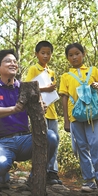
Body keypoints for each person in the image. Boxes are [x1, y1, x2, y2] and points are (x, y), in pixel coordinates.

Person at [0, 49, 58, 188]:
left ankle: (34, 178)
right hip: (2, 141)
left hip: (25, 140)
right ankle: (3, 174)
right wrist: (14, 109)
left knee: (51, 136)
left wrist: (41, 109)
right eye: (8, 61)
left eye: (15, 62)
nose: (13, 64)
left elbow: (36, 112)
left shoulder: (25, 87)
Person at [59, 43, 98, 196]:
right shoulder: (66, 76)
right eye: (71, 55)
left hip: (92, 115)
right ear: (67, 58)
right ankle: (89, 180)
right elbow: (64, 98)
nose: (74, 57)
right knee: (81, 147)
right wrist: (66, 121)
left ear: (83, 53)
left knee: (95, 144)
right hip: (75, 116)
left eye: (77, 53)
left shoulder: (93, 71)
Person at [25, 40, 62, 185]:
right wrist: (45, 89)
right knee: (41, 143)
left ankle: (52, 172)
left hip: (52, 112)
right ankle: (38, 173)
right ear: (36, 54)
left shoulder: (51, 72)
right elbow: (27, 88)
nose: (46, 56)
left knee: (55, 141)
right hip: (40, 113)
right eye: (43, 53)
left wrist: (50, 90)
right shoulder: (34, 69)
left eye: (48, 53)